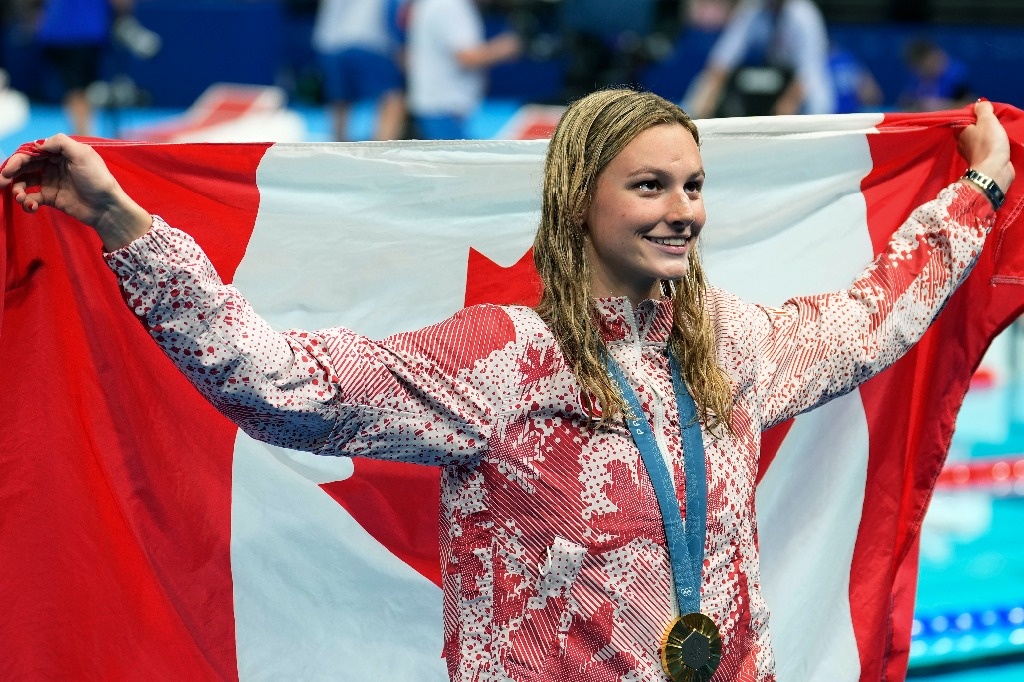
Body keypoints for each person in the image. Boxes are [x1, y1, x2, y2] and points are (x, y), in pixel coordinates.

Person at [0, 90, 1012, 680]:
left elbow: (870, 320)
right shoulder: (504, 360)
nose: (680, 211)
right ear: (579, 198)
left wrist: (978, 193)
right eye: (649, 185)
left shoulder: (725, 343)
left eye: (692, 185)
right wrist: (121, 221)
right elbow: (285, 389)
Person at [685, 0, 835, 118]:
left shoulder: (804, 15)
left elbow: (808, 73)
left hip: (804, 92)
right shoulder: (752, 10)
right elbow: (722, 60)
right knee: (704, 85)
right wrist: (707, 97)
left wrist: (785, 111)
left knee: (814, 98)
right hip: (772, 85)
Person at [406, 0, 521, 139]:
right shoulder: (449, 6)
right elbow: (467, 57)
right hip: (443, 108)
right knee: (451, 160)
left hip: (441, 106)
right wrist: (511, 45)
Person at [29, 0, 146, 137]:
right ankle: (84, 138)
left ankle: (82, 136)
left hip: (55, 30)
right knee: (79, 90)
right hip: (83, 34)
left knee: (75, 89)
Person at [311, 0, 407, 141]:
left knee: (340, 100)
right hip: (370, 40)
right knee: (393, 97)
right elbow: (394, 10)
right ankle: (381, 151)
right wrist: (401, 45)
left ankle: (338, 146)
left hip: (331, 43)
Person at [899, 37, 974, 113]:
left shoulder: (956, 76)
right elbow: (905, 102)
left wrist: (941, 106)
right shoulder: (918, 79)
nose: (919, 70)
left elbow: (969, 104)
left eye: (921, 64)